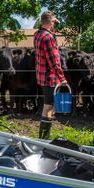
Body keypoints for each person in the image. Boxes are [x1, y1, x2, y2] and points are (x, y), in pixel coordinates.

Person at [34, 11, 68, 139]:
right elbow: (54, 60)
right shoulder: (48, 37)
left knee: (48, 105)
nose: (55, 25)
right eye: (54, 22)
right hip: (50, 77)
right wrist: (62, 78)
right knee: (49, 106)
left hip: (42, 76)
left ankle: (44, 136)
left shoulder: (37, 34)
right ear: (50, 22)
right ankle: (44, 138)